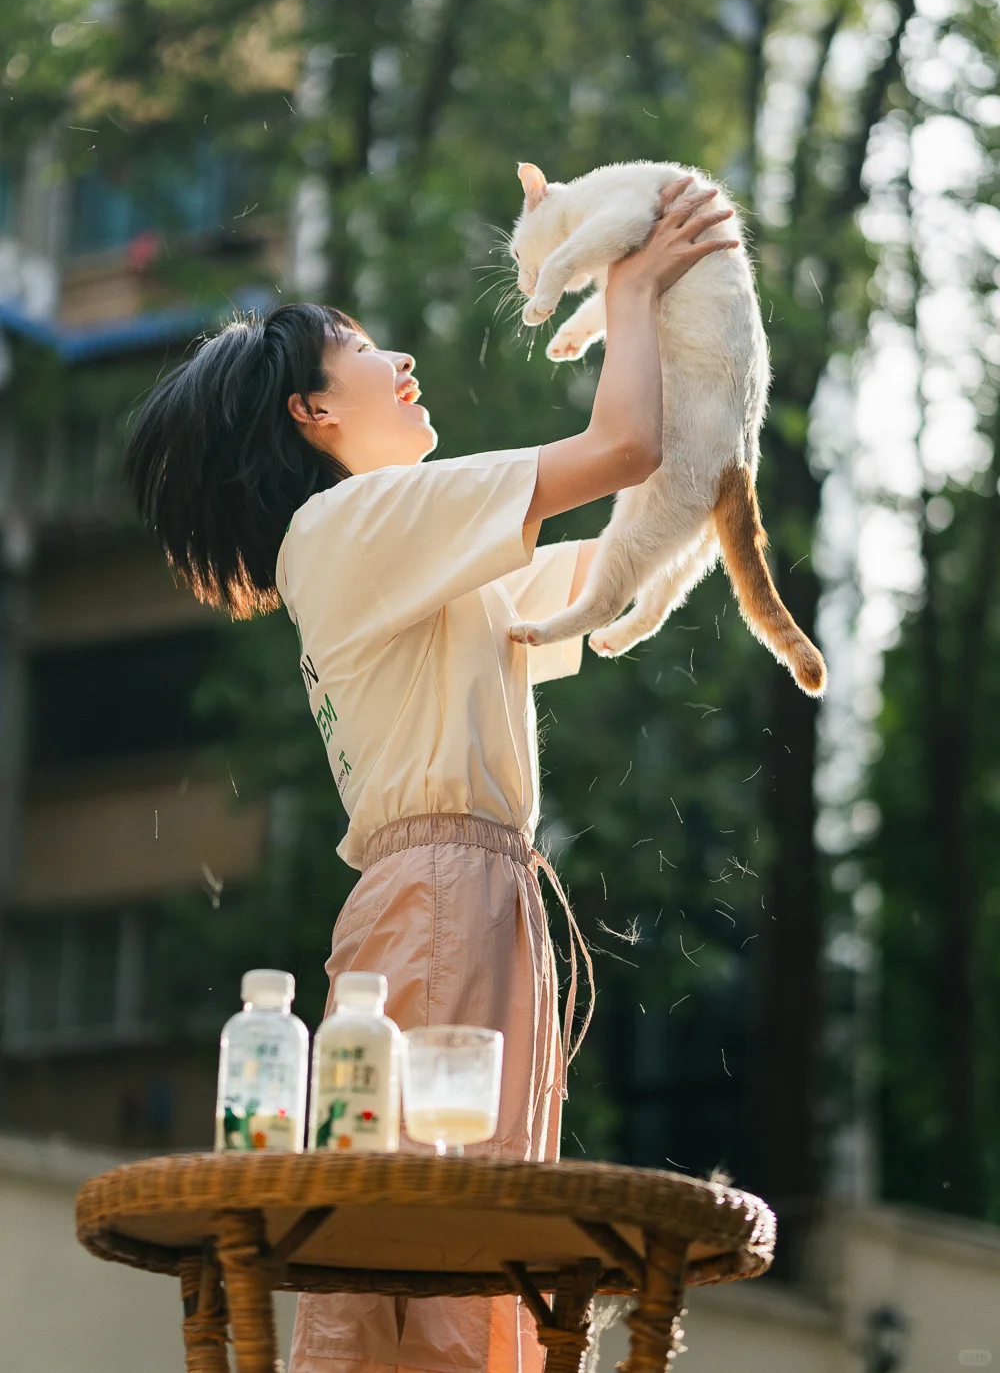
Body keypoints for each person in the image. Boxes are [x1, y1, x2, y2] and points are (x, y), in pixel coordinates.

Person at [123, 176, 737, 1373]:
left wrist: (695, 366)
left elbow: (615, 571)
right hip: (446, 901)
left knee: (448, 1254)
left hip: (469, 899)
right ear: (310, 410)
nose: (400, 360)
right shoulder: (356, 526)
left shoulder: (409, 551)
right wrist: (631, 280)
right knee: (438, 1255)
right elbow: (620, 450)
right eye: (362, 350)